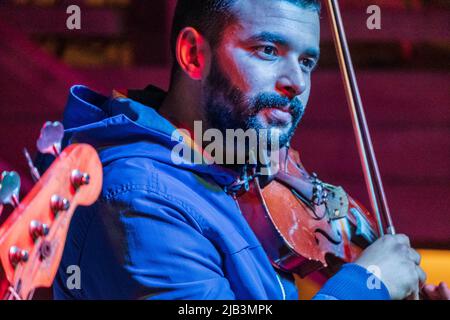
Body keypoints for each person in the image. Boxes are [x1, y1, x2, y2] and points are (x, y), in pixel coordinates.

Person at [52, 0, 448, 300]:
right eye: (268, 51)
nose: (295, 81)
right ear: (194, 55)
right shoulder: (139, 197)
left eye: (307, 61)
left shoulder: (230, 169)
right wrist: (367, 285)